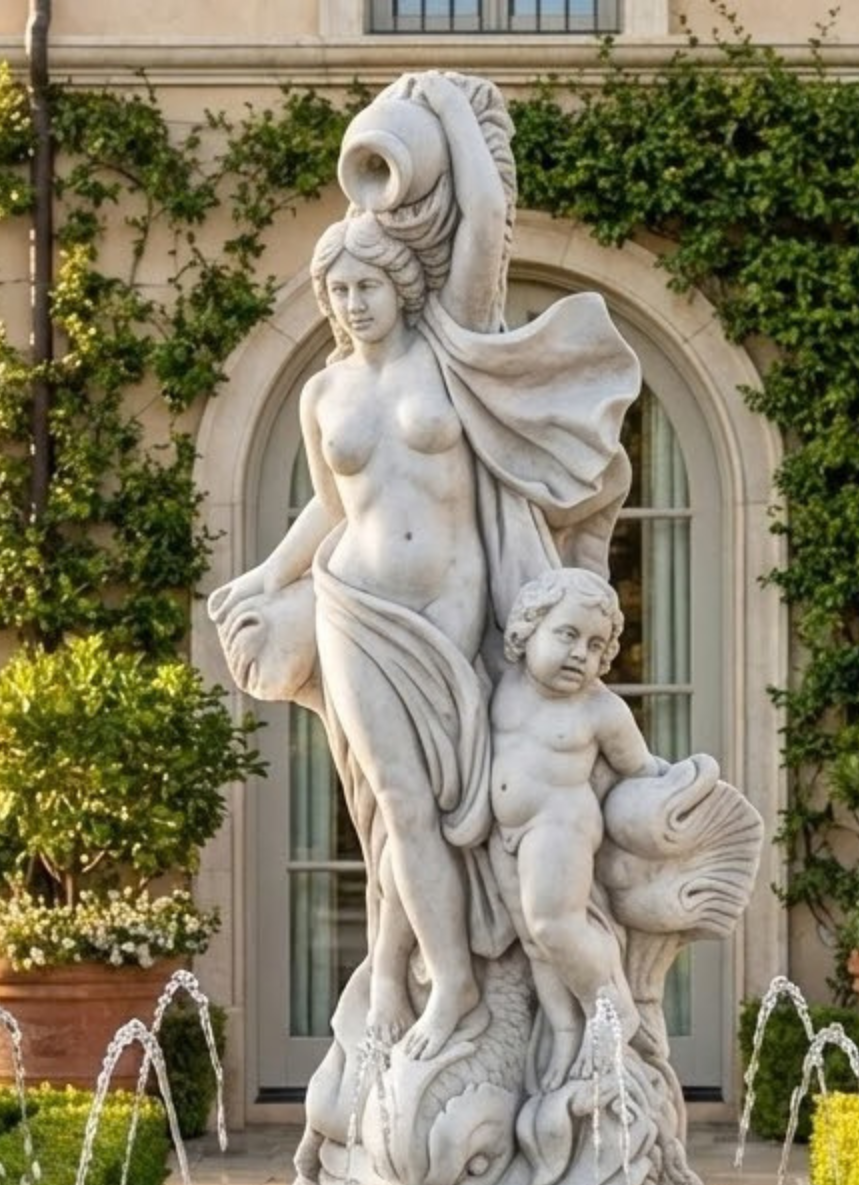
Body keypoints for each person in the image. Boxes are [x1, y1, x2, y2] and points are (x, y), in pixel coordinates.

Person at [209, 71, 638, 1064]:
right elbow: (329, 504)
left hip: (450, 612)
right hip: (351, 605)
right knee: (395, 808)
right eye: (338, 292)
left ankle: (479, 988)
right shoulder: (322, 394)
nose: (353, 304)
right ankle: (440, 986)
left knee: (460, 813)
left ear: (401, 285)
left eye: (366, 286)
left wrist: (435, 98)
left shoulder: (450, 349)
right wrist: (267, 578)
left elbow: (484, 212)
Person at [489, 568, 664, 1088]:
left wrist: (678, 796)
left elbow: (642, 771)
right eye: (567, 635)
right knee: (536, 942)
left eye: (595, 646)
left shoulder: (601, 709)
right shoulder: (503, 686)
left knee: (554, 926)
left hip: (560, 825)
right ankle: (565, 1030)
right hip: (507, 833)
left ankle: (611, 1010)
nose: (579, 655)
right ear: (527, 630)